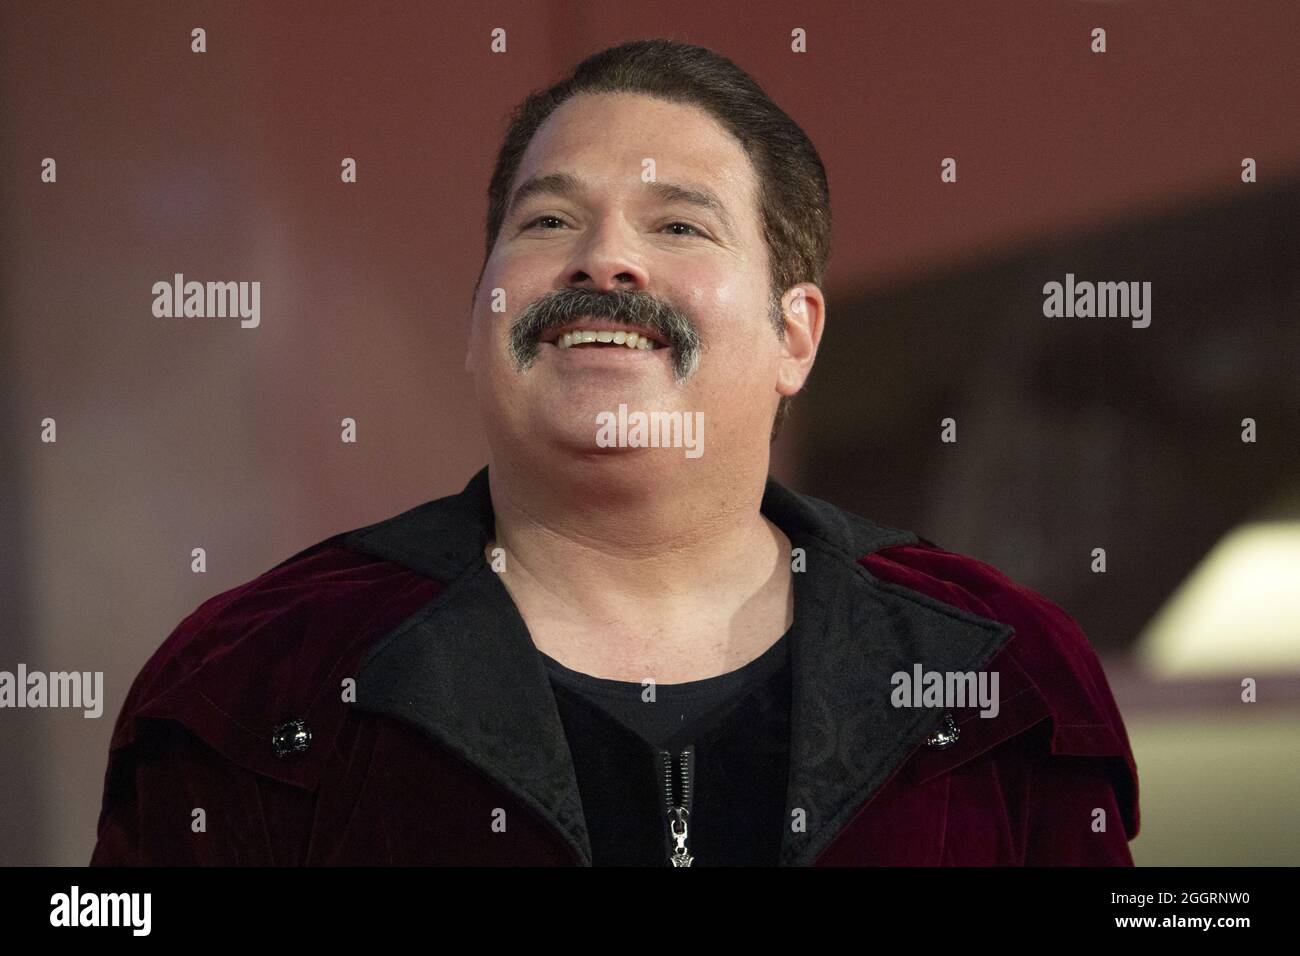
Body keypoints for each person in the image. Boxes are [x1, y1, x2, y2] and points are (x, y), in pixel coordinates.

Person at [90, 38, 1138, 867]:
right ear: (477, 318)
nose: (604, 257)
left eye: (679, 226)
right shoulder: (254, 681)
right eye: (549, 218)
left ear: (795, 334)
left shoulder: (1004, 678)